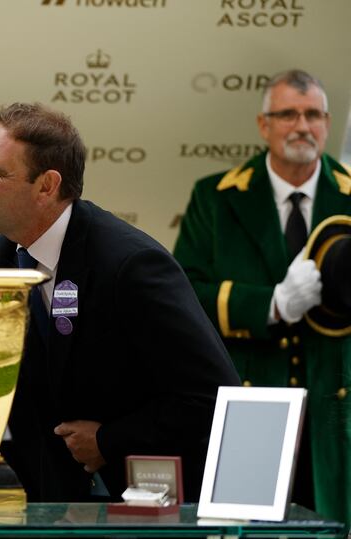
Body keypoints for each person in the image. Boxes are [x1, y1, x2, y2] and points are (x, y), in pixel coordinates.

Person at [0, 102, 240, 502]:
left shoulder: (131, 265)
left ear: (46, 185)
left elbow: (214, 396)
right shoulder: (2, 255)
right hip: (54, 499)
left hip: (152, 501)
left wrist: (109, 440)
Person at [174, 69, 351, 525]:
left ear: (328, 123)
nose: (302, 126)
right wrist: (269, 305)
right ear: (263, 124)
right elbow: (185, 298)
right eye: (287, 113)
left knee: (336, 525)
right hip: (250, 399)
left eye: (313, 114)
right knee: (247, 526)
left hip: (336, 403)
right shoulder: (215, 197)